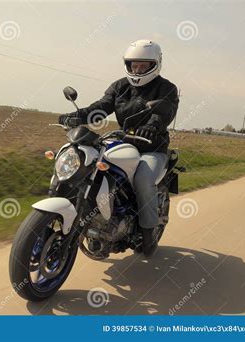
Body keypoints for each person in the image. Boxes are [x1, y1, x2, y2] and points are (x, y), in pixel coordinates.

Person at [58, 39, 179, 257]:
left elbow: (163, 114)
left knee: (143, 178)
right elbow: (100, 107)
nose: (138, 69)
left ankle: (148, 234)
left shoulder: (167, 89)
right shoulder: (120, 86)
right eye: (134, 64)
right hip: (124, 142)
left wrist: (151, 127)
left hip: (152, 148)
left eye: (144, 65)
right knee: (94, 164)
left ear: (156, 64)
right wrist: (74, 116)